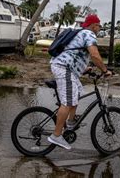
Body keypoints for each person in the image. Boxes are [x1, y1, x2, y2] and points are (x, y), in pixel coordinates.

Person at [47, 14, 112, 150]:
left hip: (66, 68)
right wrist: (105, 70)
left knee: (76, 93)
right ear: (94, 25)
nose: (99, 28)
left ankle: (70, 122)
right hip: (63, 68)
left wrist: (84, 69)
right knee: (68, 101)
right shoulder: (89, 34)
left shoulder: (81, 33)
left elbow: (73, 54)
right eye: (99, 26)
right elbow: (94, 55)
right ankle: (56, 135)